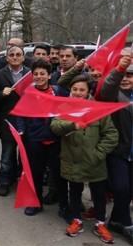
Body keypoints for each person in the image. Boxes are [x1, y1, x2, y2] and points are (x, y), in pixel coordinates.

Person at [51, 75, 117, 244]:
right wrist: (72, 125)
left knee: (98, 194)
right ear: (70, 90)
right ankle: (76, 220)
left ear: (89, 91)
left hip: (95, 161)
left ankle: (100, 223)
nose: (78, 93)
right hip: (71, 159)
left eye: (82, 90)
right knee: (74, 191)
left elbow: (111, 134)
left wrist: (98, 153)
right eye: (75, 89)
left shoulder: (98, 109)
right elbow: (55, 126)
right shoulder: (65, 106)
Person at [15, 60, 60, 215]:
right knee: (36, 173)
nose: (39, 77)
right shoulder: (28, 93)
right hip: (34, 140)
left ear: (49, 75)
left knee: (59, 173)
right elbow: (21, 114)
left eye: (43, 74)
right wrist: (21, 129)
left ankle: (65, 204)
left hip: (55, 140)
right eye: (36, 74)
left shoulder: (59, 91)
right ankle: (36, 203)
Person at [100, 52, 133, 244]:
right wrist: (119, 69)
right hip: (118, 152)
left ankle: (114, 220)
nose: (126, 79)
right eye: (124, 75)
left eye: (130, 75)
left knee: (130, 191)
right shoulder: (115, 96)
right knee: (120, 188)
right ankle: (127, 225)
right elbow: (108, 87)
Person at [0, 45, 30, 196]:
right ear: (6, 58)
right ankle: (5, 181)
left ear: (23, 57)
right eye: (11, 54)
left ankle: (21, 180)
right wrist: (2, 93)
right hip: (8, 119)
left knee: (25, 154)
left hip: (27, 120)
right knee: (7, 154)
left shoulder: (30, 74)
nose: (15, 57)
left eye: (18, 54)